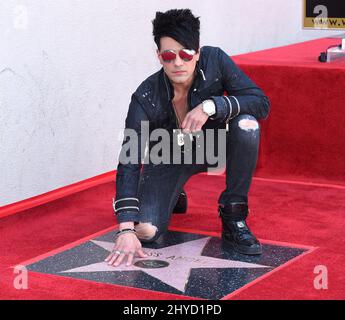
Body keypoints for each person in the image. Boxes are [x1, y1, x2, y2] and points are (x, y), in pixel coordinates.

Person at [105, 9, 270, 267]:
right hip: (168, 156)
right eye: (169, 56)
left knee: (247, 125)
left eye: (186, 54)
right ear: (159, 56)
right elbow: (129, 158)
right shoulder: (145, 96)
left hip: (214, 148)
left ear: (198, 52)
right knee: (146, 232)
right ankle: (172, 192)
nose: (178, 63)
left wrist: (211, 106)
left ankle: (233, 214)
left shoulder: (215, 60)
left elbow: (261, 103)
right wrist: (125, 228)